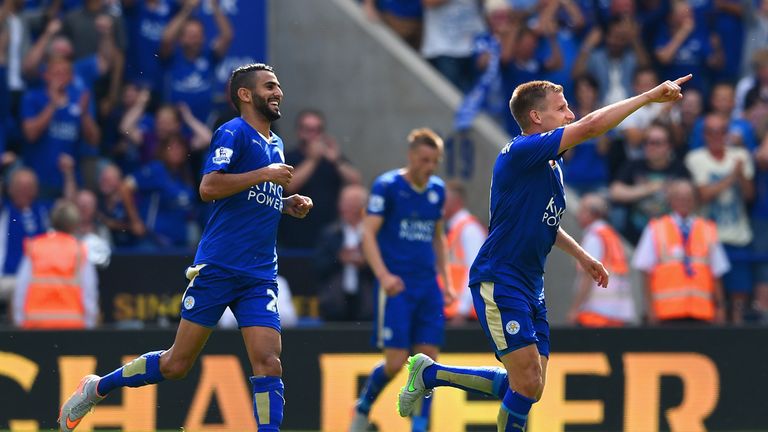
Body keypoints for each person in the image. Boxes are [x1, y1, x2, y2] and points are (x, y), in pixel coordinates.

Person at [396, 74, 692, 431]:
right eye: (562, 108)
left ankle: (431, 374)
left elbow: (545, 223)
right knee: (526, 382)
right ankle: (430, 374)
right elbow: (591, 126)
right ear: (537, 117)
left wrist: (582, 256)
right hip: (500, 278)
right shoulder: (522, 151)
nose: (569, 115)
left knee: (530, 387)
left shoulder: (552, 165)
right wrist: (647, 97)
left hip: (530, 284)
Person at [58, 63, 313, 432]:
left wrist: (286, 203)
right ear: (245, 94)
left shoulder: (275, 142)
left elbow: (254, 195)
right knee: (176, 365)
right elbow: (209, 187)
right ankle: (97, 387)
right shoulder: (233, 132)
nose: (278, 92)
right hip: (220, 266)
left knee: (269, 361)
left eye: (278, 86)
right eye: (270, 86)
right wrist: (264, 175)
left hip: (259, 273)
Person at [349, 128, 456, 432]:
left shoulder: (437, 190)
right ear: (411, 156)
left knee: (428, 365)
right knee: (396, 362)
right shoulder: (388, 186)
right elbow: (367, 232)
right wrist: (383, 275)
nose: (430, 167)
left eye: (434, 161)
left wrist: (446, 282)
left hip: (427, 287)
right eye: (424, 160)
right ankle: (363, 409)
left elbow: (438, 239)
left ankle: (419, 427)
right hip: (398, 287)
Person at [684, 113, 754, 324]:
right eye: (711, 131)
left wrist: (740, 176)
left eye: (722, 131)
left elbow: (749, 195)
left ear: (728, 133)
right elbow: (704, 195)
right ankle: (717, 338)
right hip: (707, 239)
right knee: (713, 295)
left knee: (739, 295)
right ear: (704, 134)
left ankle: (738, 334)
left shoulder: (740, 155)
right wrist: (733, 175)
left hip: (737, 236)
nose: (716, 135)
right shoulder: (695, 158)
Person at [632, 180, 728, 324]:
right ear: (671, 200)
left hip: (701, 313)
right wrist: (650, 309)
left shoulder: (707, 229)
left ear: (694, 201)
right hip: (666, 314)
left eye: (688, 198)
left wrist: (719, 307)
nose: (684, 202)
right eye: (679, 197)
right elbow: (645, 271)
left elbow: (717, 272)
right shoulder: (656, 228)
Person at [12, 199, 98, 329]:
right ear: (74, 224)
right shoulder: (80, 251)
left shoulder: (35, 247)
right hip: (71, 328)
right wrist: (90, 324)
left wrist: (19, 320)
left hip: (36, 327)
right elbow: (89, 293)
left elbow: (21, 289)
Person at [568, 194, 636, 327]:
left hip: (595, 313)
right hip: (618, 312)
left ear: (591, 214)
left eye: (582, 210)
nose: (578, 214)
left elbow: (588, 275)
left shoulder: (594, 236)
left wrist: (575, 309)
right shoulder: (610, 235)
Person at [314, 184, 375, 322]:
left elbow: (385, 267)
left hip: (367, 303)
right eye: (345, 204)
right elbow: (317, 266)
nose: (347, 209)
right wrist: (339, 258)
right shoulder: (329, 234)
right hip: (335, 302)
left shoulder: (374, 235)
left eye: (353, 205)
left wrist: (366, 262)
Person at [442, 179, 486, 322]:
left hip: (465, 315)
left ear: (456, 202)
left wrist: (462, 309)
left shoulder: (469, 229)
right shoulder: (454, 229)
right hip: (452, 311)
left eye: (444, 200)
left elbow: (475, 270)